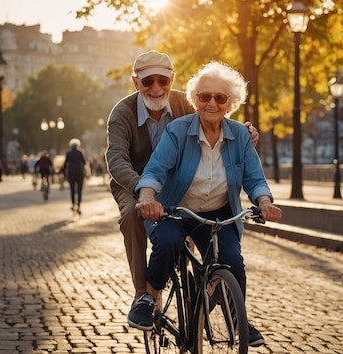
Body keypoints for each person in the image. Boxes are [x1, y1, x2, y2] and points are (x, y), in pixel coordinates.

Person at [131, 61, 281, 347]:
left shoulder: (239, 135)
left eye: (220, 98)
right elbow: (155, 170)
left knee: (233, 261)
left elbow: (255, 178)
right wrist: (148, 198)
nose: (212, 103)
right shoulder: (177, 131)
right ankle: (148, 298)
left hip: (218, 213)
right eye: (204, 96)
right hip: (175, 210)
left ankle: (238, 318)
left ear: (230, 103)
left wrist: (264, 202)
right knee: (168, 243)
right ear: (195, 100)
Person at [105, 50, 259, 309]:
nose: (156, 88)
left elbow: (214, 116)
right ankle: (143, 294)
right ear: (135, 82)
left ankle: (202, 282)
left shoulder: (184, 103)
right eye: (147, 81)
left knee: (196, 218)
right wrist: (143, 190)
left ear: (172, 80)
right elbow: (116, 159)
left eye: (163, 81)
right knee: (133, 214)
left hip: (179, 181)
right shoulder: (122, 113)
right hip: (133, 181)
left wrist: (243, 135)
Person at [61, 138, 87, 214]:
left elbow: (65, 164)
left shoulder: (68, 153)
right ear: (78, 145)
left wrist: (62, 172)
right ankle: (78, 206)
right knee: (79, 190)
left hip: (71, 172)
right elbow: (84, 163)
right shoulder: (80, 152)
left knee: (72, 189)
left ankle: (73, 204)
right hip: (80, 172)